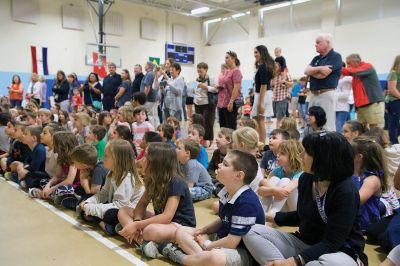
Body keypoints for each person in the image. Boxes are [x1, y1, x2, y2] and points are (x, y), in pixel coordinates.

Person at [243, 132, 368, 266]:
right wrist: (265, 216)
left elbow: (332, 242)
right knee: (250, 230)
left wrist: (294, 261)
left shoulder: (345, 190)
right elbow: (302, 215)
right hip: (306, 243)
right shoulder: (306, 179)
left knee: (314, 265)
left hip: (340, 251)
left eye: (306, 152)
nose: (300, 156)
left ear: (322, 157)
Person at [162, 150, 265, 266]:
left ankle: (180, 257)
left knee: (214, 257)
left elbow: (232, 242)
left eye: (225, 164)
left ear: (239, 175)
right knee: (181, 231)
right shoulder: (226, 191)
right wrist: (204, 230)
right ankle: (201, 260)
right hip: (222, 239)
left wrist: (207, 244)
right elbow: (222, 219)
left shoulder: (247, 202)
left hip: (243, 251)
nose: (219, 165)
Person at [118, 143, 196, 258]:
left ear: (156, 162)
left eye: (146, 157)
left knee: (150, 230)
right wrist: (136, 221)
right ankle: (143, 240)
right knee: (124, 211)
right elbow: (142, 205)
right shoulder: (153, 179)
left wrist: (136, 225)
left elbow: (167, 217)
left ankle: (143, 240)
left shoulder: (176, 182)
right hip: (164, 223)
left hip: (180, 226)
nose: (142, 160)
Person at [79, 140, 144, 234]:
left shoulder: (127, 178)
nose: (102, 158)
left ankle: (112, 226)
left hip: (128, 213)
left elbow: (120, 206)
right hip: (114, 204)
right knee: (86, 199)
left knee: (111, 214)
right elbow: (103, 193)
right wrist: (89, 202)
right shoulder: (112, 172)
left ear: (117, 159)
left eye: (106, 156)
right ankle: (105, 224)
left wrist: (91, 208)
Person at [27, 132, 79, 205]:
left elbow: (69, 181)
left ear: (62, 145)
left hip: (75, 186)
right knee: (43, 181)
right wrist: (48, 186)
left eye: (54, 143)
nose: (53, 145)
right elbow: (57, 176)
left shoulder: (74, 158)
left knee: (62, 189)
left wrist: (51, 189)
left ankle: (42, 194)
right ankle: (54, 197)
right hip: (64, 184)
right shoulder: (61, 156)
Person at [304, 33, 342, 131]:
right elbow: (306, 71)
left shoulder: (335, 56)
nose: (315, 45)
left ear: (327, 43)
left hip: (326, 94)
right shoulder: (316, 58)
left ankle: (328, 145)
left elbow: (322, 75)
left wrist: (312, 71)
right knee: (311, 122)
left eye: (318, 42)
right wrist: (320, 68)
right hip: (313, 94)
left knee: (327, 124)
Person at [258, 139, 304, 216]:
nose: (277, 155)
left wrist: (271, 190)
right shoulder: (276, 171)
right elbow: (260, 190)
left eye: (282, 153)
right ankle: (262, 213)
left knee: (285, 180)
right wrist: (272, 189)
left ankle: (272, 214)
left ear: (293, 156)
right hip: (283, 208)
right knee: (274, 179)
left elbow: (286, 191)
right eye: (278, 152)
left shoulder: (301, 173)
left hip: (296, 210)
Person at [352, 137, 388, 231]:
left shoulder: (372, 180)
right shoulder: (358, 175)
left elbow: (355, 201)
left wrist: (354, 175)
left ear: (359, 157)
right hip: (355, 223)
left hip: (365, 227)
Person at [342, 53, 385, 129]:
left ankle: (381, 141)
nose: (347, 66)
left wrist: (336, 68)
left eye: (349, 63)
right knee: (361, 128)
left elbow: (349, 71)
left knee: (375, 128)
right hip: (361, 105)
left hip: (373, 103)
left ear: (357, 62)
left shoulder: (368, 67)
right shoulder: (356, 74)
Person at [252, 45, 275, 144]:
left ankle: (261, 145)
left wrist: (260, 103)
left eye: (256, 52)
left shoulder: (263, 66)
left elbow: (264, 84)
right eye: (254, 52)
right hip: (264, 94)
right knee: (258, 120)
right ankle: (259, 143)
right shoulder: (266, 65)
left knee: (260, 120)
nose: (255, 55)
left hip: (263, 95)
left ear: (262, 53)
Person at [194, 62, 218, 145]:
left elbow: (216, 89)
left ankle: (210, 141)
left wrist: (205, 87)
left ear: (206, 70)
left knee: (208, 123)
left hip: (208, 104)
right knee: (199, 123)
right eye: (198, 69)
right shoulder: (197, 79)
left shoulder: (211, 78)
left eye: (201, 69)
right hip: (198, 104)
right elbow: (197, 91)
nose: (199, 71)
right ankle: (201, 141)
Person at [218, 51, 243, 130]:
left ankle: (231, 142)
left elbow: (236, 87)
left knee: (230, 127)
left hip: (230, 103)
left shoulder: (236, 71)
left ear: (233, 59)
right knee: (222, 127)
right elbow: (222, 85)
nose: (225, 60)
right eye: (225, 58)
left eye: (227, 58)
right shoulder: (226, 72)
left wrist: (231, 102)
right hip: (221, 103)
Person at [385, 55, 400, 143]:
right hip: (393, 101)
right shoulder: (393, 73)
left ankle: (392, 139)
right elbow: (392, 89)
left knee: (395, 124)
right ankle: (394, 143)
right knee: (394, 123)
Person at [140, 62, 159, 128]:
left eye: (145, 64)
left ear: (148, 66)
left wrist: (143, 98)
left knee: (150, 115)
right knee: (154, 116)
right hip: (152, 99)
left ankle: (152, 130)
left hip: (148, 99)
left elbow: (147, 87)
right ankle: (155, 129)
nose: (144, 66)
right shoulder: (152, 74)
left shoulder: (149, 74)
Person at [336, 64, 353, 133]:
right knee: (334, 129)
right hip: (333, 108)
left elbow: (345, 95)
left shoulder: (347, 79)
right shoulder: (334, 79)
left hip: (342, 108)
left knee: (338, 129)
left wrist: (331, 95)